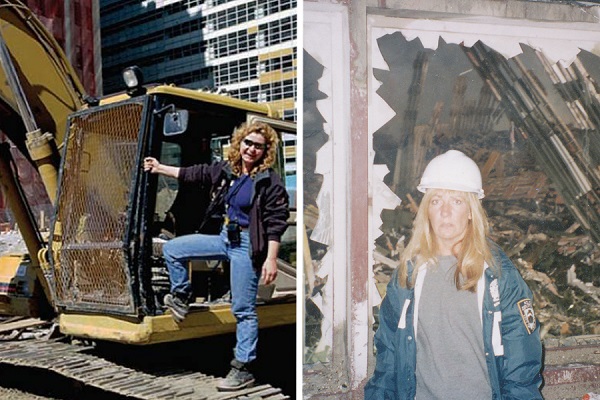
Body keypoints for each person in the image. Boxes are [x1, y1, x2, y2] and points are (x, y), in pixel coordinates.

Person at [364, 150, 543, 399]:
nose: (445, 212)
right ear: (426, 209)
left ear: (471, 211)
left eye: (456, 201)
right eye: (437, 201)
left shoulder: (497, 275)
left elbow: (521, 366)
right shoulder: (408, 275)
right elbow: (388, 359)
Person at [143, 121, 289, 391]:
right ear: (239, 143)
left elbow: (275, 222)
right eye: (248, 143)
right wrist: (159, 167)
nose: (251, 149)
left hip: (247, 245)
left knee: (243, 309)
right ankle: (180, 295)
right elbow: (193, 174)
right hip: (225, 238)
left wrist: (270, 259)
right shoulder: (227, 170)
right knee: (174, 249)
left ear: (265, 150)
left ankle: (243, 367)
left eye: (259, 146)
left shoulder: (269, 180)